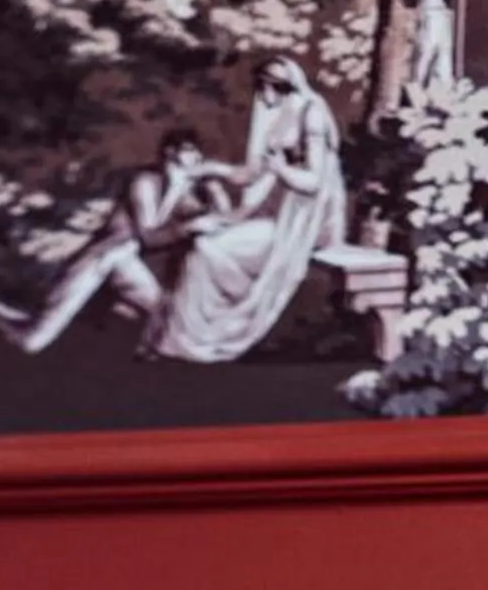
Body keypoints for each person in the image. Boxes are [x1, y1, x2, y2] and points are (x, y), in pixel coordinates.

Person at [145, 57, 346, 364]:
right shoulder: (280, 115)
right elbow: (250, 174)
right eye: (263, 83)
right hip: (284, 211)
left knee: (209, 249)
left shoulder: (312, 113)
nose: (267, 92)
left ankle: (200, 338)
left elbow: (314, 182)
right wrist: (209, 169)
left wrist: (281, 170)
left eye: (276, 85)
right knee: (207, 242)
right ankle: (190, 337)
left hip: (308, 218)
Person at [0, 132, 237, 354]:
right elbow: (148, 236)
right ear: (170, 152)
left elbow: (224, 220)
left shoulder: (186, 192)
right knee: (114, 255)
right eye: (189, 150)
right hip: (112, 258)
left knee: (164, 309)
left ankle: (36, 326)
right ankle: (35, 335)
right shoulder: (146, 182)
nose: (196, 157)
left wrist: (215, 185)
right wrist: (188, 227)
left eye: (198, 152)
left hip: (143, 275)